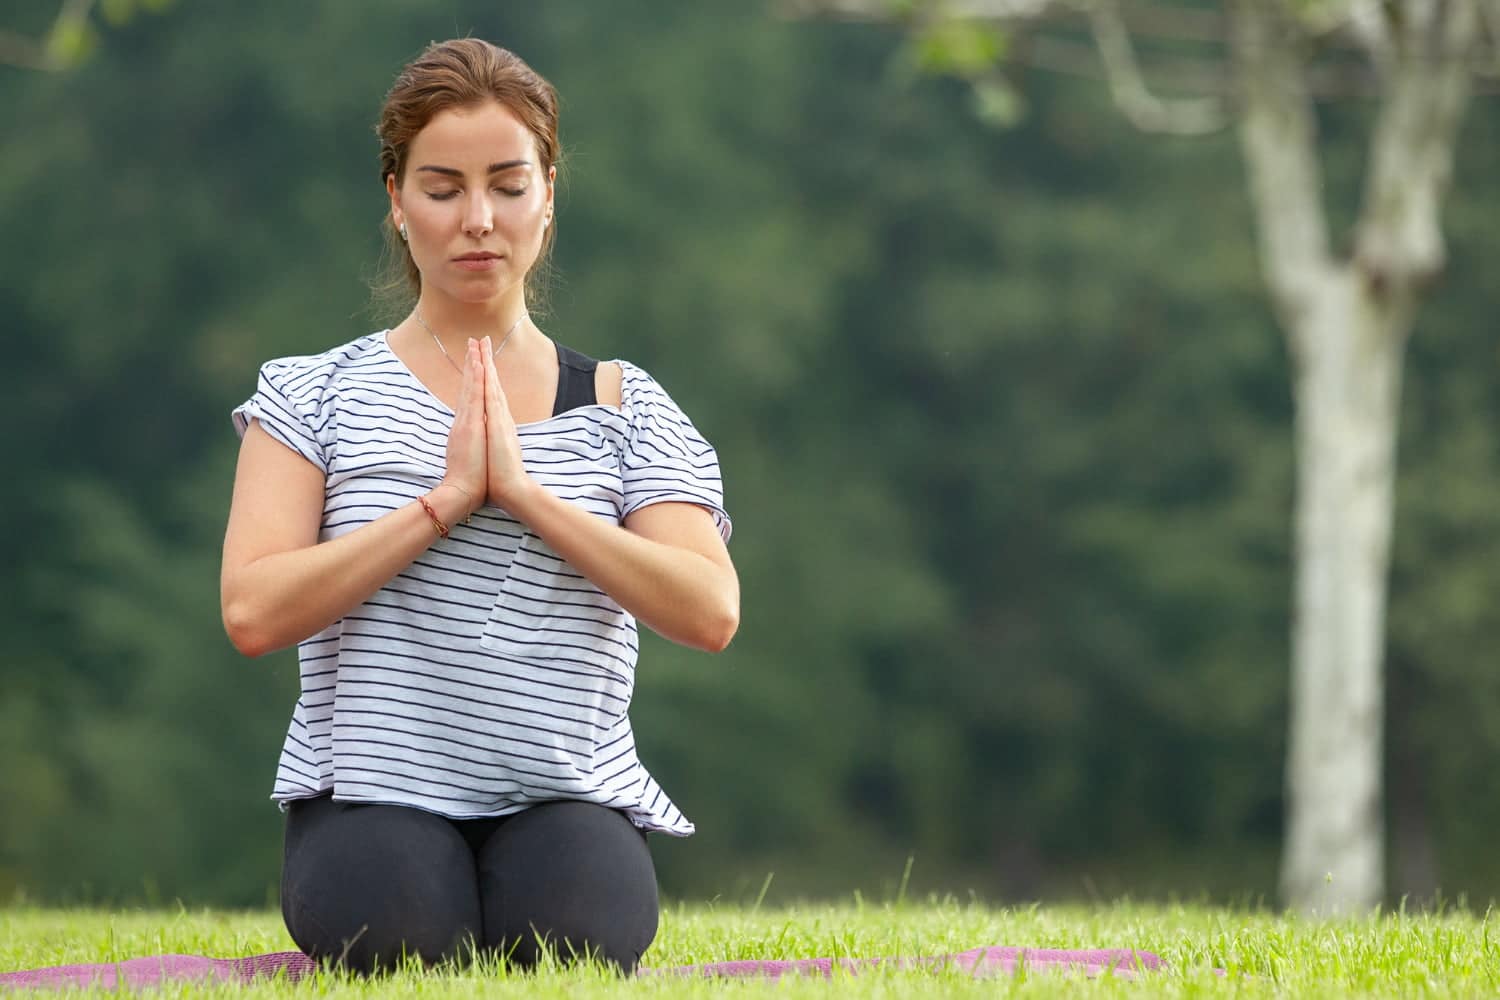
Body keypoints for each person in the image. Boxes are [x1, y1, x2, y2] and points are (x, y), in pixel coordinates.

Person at [219, 37, 738, 977]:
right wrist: (445, 503)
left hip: (564, 796)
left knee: (572, 946)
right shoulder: (309, 394)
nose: (478, 220)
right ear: (396, 199)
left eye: (507, 184)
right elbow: (253, 610)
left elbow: (709, 610)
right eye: (443, 186)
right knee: (401, 940)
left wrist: (527, 496)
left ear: (548, 194)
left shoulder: (625, 403)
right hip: (371, 797)